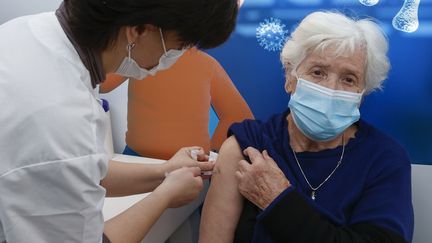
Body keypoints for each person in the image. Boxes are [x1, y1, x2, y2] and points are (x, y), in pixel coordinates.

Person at [0, 0, 238, 242]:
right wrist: (164, 195)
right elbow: (71, 162)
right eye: (179, 45)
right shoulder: (63, 120)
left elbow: (86, 171)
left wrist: (164, 173)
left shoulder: (25, 31)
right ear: (139, 29)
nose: (176, 57)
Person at [199, 11, 414, 243]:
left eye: (349, 79)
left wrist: (278, 201)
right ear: (290, 77)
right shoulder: (246, 147)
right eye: (318, 72)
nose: (331, 89)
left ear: (362, 94)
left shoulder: (383, 160)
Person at [100, 47, 254, 160]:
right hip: (137, 158)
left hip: (188, 164)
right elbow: (100, 83)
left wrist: (211, 154)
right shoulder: (138, 57)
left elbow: (239, 116)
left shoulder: (206, 64)